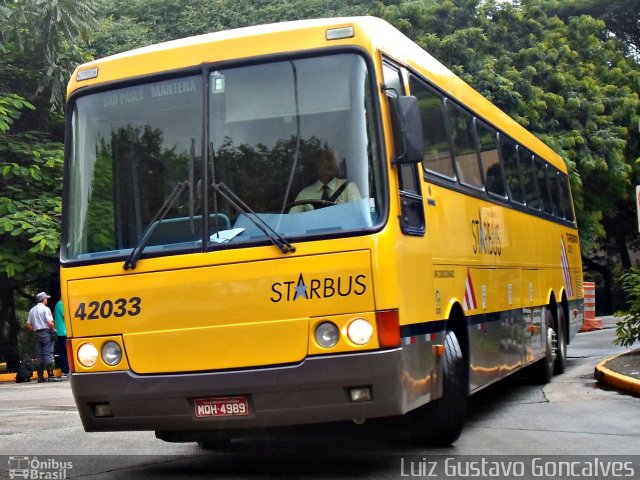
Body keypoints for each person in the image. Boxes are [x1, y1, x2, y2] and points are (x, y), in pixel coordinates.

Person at [289, 147, 361, 213]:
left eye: (334, 161)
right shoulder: (304, 195)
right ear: (318, 164)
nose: (331, 164)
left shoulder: (349, 188)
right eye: (327, 160)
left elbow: (357, 216)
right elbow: (292, 222)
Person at [26, 292, 62, 383]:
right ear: (43, 299)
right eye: (46, 298)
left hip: (37, 334)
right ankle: (51, 376)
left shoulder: (32, 310)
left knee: (39, 355)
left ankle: (40, 377)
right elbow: (50, 323)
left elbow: (28, 324)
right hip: (46, 332)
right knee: (48, 354)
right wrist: (53, 330)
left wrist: (35, 329)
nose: (47, 300)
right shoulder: (46, 309)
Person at [53, 299, 70, 378]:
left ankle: (65, 370)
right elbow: (66, 315)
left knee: (63, 352)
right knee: (66, 352)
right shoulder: (60, 304)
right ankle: (66, 371)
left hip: (61, 331)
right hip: (64, 331)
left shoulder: (57, 304)